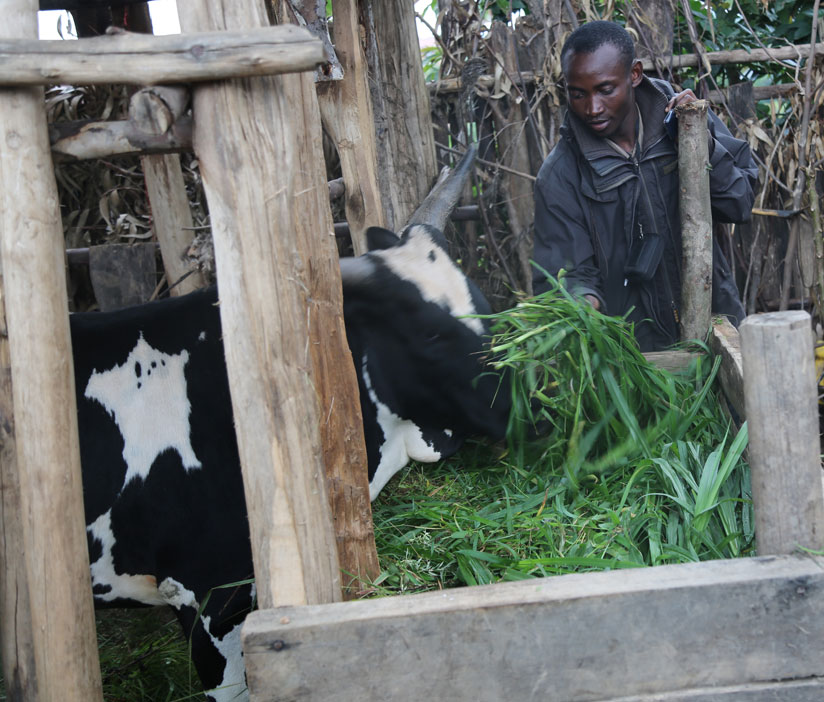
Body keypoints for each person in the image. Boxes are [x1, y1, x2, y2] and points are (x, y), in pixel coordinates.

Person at [532, 20, 758, 352]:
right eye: (577, 94)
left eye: (605, 89)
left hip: (718, 329)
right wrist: (580, 305)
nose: (592, 108)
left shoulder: (686, 120)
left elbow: (739, 203)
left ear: (634, 74)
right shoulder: (560, 176)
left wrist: (700, 144)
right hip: (634, 359)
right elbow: (568, 275)